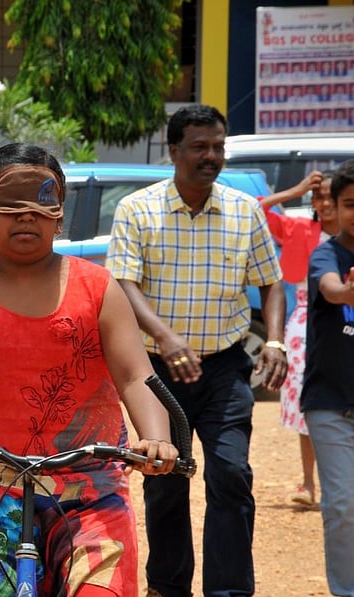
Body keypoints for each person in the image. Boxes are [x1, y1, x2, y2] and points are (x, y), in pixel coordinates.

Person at [0, 142, 179, 596]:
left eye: (41, 203)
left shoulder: (98, 288)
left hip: (94, 485)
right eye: (9, 206)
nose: (25, 216)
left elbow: (135, 375)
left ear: (59, 215)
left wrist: (157, 438)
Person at [106, 104, 287, 597]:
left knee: (231, 473)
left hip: (225, 368)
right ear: (174, 151)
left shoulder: (244, 210)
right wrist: (164, 336)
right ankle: (168, 588)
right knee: (165, 480)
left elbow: (271, 283)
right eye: (200, 147)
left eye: (218, 147)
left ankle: (228, 590)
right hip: (157, 372)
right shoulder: (137, 209)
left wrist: (272, 340)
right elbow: (123, 283)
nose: (211, 156)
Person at [258, 170, 336, 508]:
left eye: (332, 196)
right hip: (307, 322)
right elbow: (257, 209)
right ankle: (309, 485)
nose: (324, 203)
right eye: (318, 197)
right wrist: (297, 190)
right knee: (311, 401)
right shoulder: (301, 229)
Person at [301, 159, 354, 597]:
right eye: (351, 204)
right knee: (341, 504)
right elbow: (332, 289)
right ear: (333, 208)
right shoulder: (325, 254)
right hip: (331, 404)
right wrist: (348, 291)